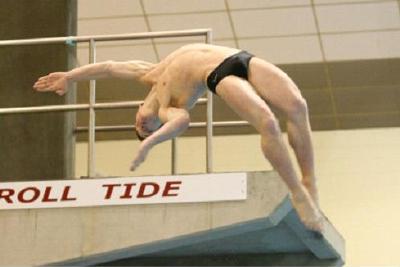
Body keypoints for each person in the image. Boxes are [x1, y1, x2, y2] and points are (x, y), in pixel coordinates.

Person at [33, 43, 323, 232]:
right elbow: (179, 125)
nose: (146, 126)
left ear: (137, 112)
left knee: (298, 106)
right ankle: (297, 191)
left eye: (141, 128)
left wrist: (71, 76)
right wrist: (149, 144)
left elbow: (108, 67)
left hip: (238, 57)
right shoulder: (170, 109)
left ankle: (310, 181)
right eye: (151, 128)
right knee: (268, 122)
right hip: (217, 74)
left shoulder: (148, 74)